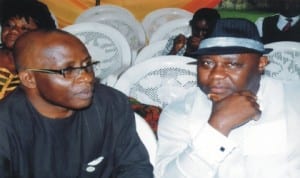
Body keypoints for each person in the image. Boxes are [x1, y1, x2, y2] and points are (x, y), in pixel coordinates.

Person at [155, 18, 300, 178]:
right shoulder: (180, 111)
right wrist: (217, 127)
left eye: (232, 64)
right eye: (207, 63)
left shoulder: (293, 100)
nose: (216, 74)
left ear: (261, 63)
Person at [0, 29, 154, 178]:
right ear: (29, 79)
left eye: (87, 65)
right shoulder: (6, 127)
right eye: (67, 70)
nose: (86, 77)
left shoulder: (111, 104)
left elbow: (134, 167)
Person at [0, 0, 56, 100]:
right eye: (9, 25)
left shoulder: (41, 68)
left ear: (38, 35)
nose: (13, 30)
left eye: (24, 28)